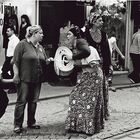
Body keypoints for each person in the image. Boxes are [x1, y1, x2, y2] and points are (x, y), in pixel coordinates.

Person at [65, 26, 104, 135]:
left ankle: (87, 127)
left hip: (93, 76)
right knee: (77, 98)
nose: (67, 36)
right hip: (87, 75)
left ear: (75, 36)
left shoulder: (83, 44)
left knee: (88, 101)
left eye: (69, 34)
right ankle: (79, 126)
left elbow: (93, 63)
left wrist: (74, 59)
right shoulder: (78, 46)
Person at [13, 25, 52, 133]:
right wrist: (16, 75)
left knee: (33, 101)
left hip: (37, 78)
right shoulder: (22, 44)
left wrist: (48, 60)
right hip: (24, 78)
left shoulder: (40, 47)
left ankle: (31, 122)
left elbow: (43, 59)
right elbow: (15, 62)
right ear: (34, 34)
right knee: (21, 101)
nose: (42, 35)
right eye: (41, 33)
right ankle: (17, 125)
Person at [85, 12, 111, 120]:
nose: (102, 22)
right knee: (91, 89)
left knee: (102, 89)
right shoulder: (86, 33)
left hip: (102, 65)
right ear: (94, 22)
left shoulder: (104, 34)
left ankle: (102, 113)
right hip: (91, 64)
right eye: (100, 20)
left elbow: (107, 50)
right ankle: (91, 112)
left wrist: (109, 64)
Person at [1, 26, 20, 93]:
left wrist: (13, 58)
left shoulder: (15, 40)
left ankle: (13, 87)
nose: (6, 32)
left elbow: (17, 50)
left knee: (11, 72)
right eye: (6, 31)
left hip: (12, 58)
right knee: (5, 71)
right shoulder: (10, 39)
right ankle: (11, 85)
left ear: (12, 31)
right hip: (9, 58)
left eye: (8, 31)